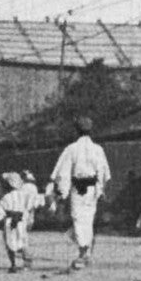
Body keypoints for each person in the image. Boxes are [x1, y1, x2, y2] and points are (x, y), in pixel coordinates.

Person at [51, 116, 110, 271]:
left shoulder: (71, 149)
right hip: (91, 190)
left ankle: (83, 253)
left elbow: (63, 173)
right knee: (86, 220)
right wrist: (100, 189)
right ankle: (86, 252)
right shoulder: (98, 149)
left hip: (78, 189)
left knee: (79, 219)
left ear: (76, 130)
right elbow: (103, 172)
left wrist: (61, 193)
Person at [0, 172, 32, 273]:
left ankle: (13, 264)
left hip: (9, 223)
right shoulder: (25, 196)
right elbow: (30, 207)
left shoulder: (6, 197)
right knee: (23, 241)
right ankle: (26, 261)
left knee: (10, 243)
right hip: (21, 222)